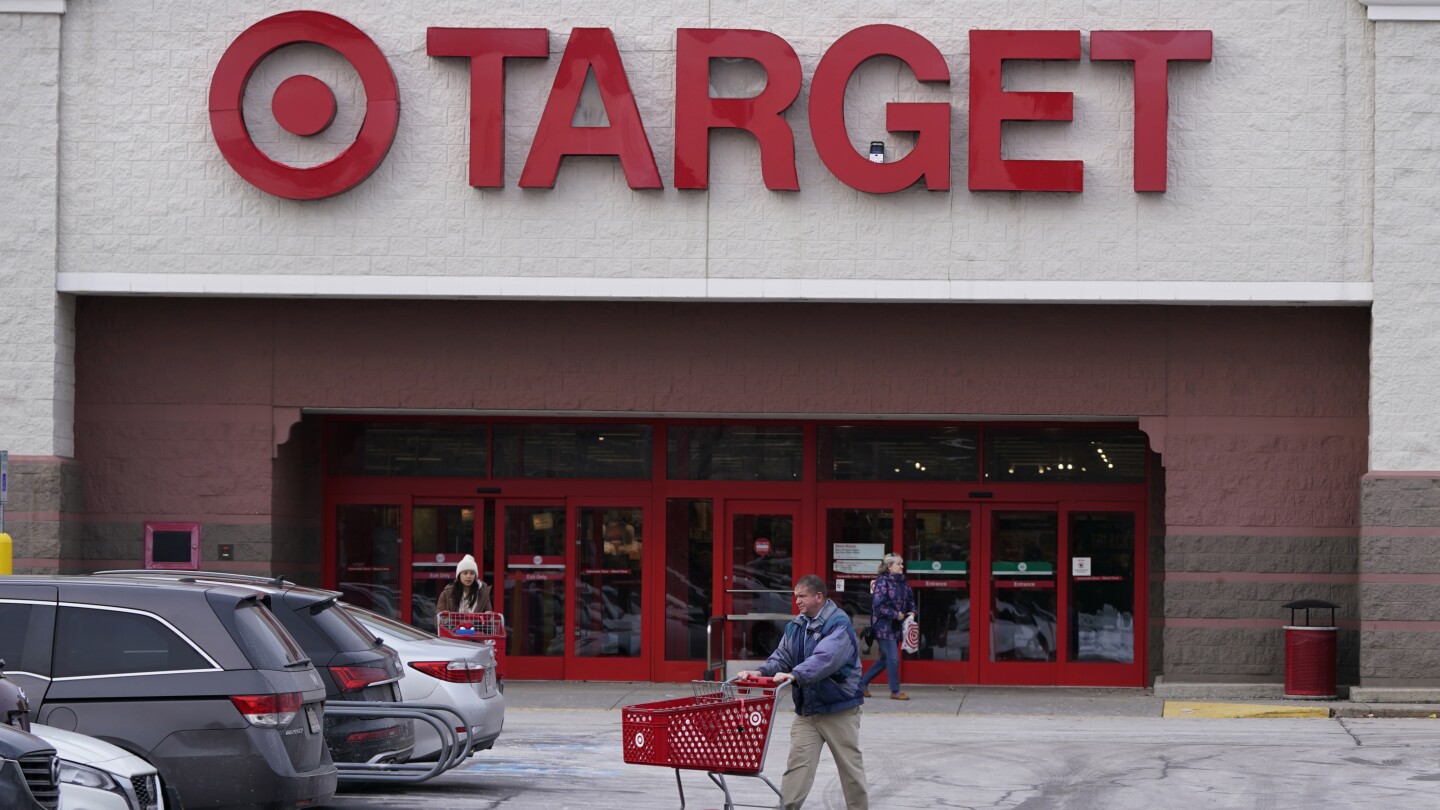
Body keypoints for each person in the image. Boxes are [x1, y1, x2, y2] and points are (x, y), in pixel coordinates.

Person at [737, 574, 869, 810]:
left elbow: (826, 658)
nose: (796, 601)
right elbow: (782, 656)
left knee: (850, 769)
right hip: (807, 711)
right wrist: (761, 672)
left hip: (838, 709)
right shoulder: (797, 624)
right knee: (797, 767)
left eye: (802, 596)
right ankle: (787, 807)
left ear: (819, 597)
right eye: (795, 596)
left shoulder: (839, 623)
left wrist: (795, 674)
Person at [861, 554, 916, 701]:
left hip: (897, 626)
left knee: (885, 659)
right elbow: (877, 606)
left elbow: (911, 600)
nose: (902, 567)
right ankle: (895, 691)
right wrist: (894, 614)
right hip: (883, 626)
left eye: (902, 564)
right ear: (890, 567)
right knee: (893, 658)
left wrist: (912, 611)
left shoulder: (903, 582)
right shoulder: (882, 582)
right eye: (899, 564)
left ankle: (861, 685)